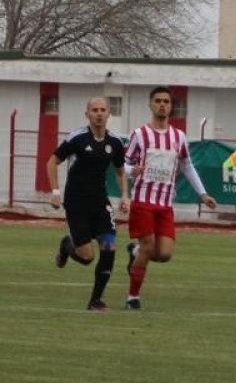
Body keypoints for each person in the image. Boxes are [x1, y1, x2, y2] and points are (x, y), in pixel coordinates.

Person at [122, 86, 218, 310]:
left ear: (171, 106)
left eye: (166, 101)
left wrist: (202, 193)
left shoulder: (179, 137)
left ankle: (135, 252)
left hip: (165, 204)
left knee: (164, 254)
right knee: (148, 246)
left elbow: (187, 166)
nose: (162, 105)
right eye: (158, 101)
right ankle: (132, 298)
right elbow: (122, 164)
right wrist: (131, 170)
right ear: (150, 104)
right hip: (143, 201)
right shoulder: (139, 135)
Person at [47, 97, 130, 311]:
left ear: (109, 114)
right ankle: (67, 245)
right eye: (95, 110)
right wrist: (55, 191)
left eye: (103, 110)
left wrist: (124, 195)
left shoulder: (115, 143)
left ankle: (95, 301)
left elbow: (120, 171)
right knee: (87, 257)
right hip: (76, 202)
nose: (99, 114)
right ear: (87, 114)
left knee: (110, 246)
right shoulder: (77, 138)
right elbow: (52, 162)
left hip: (100, 202)